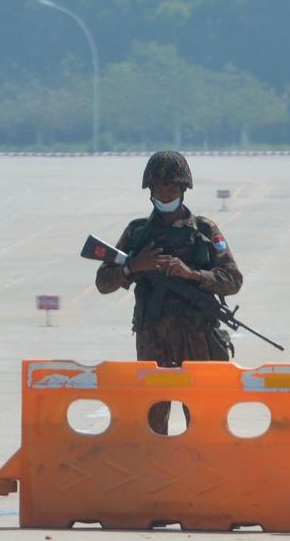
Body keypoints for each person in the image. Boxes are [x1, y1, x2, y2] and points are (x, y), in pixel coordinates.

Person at [95, 150, 243, 434]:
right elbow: (103, 282)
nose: (166, 195)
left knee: (202, 418)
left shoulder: (204, 230)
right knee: (152, 416)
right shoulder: (138, 233)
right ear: (150, 190)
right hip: (153, 338)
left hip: (197, 337)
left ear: (183, 190)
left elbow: (233, 280)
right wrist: (133, 267)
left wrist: (192, 274)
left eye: (172, 188)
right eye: (160, 189)